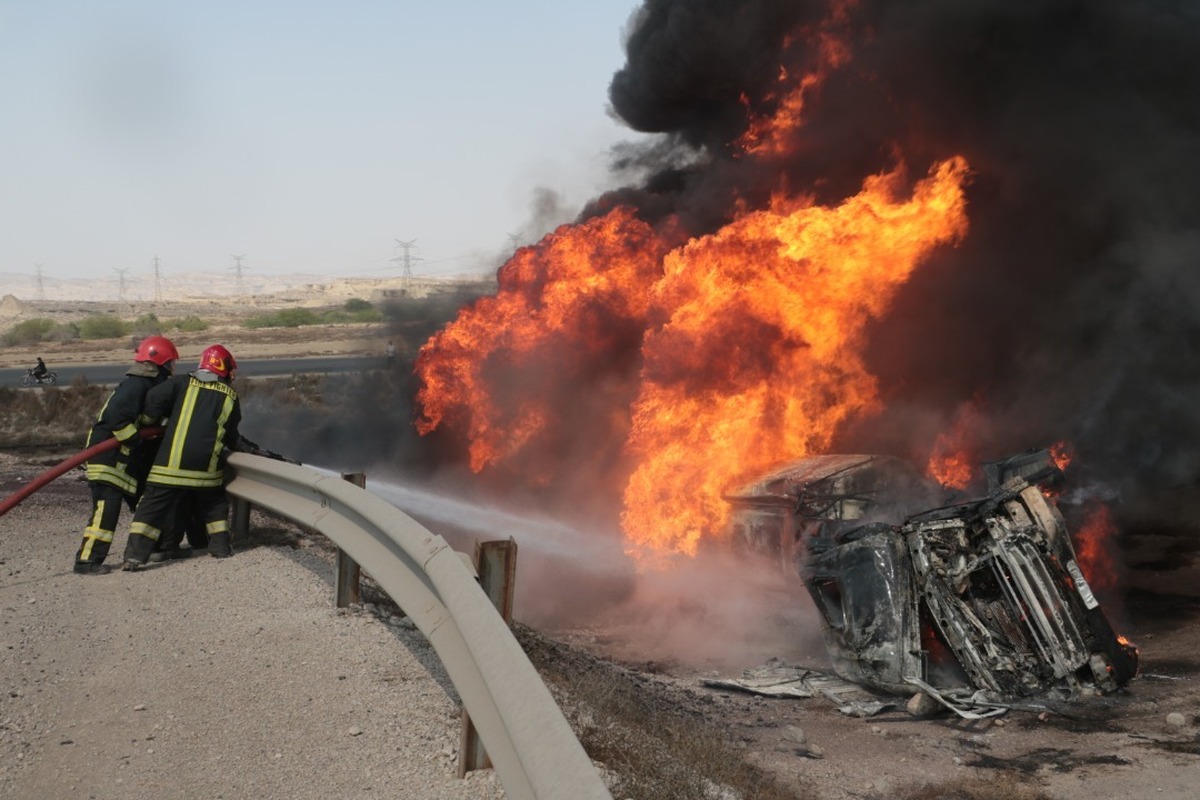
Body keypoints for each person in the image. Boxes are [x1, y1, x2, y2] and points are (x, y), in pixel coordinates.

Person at [121, 344, 243, 570]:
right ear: (223, 366)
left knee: (150, 511)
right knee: (215, 506)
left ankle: (134, 557)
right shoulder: (231, 395)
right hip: (206, 472)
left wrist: (148, 422)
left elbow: (154, 400)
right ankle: (220, 549)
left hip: (169, 469)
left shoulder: (180, 382)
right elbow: (231, 435)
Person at [73, 335, 179, 574]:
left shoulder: (149, 385)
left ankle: (154, 547)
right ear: (160, 361)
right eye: (172, 362)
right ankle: (87, 561)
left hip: (125, 463)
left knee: (148, 505)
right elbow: (117, 417)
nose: (173, 367)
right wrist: (136, 438)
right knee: (106, 512)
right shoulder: (137, 384)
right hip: (108, 460)